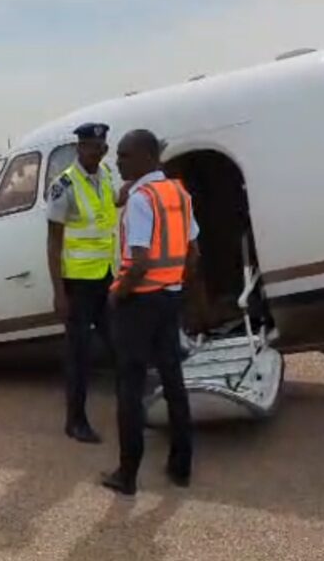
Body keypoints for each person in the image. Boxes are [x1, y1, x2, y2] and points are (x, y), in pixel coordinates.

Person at [101, 129, 200, 496]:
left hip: (139, 303)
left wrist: (118, 294)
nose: (118, 162)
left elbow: (139, 262)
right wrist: (175, 284)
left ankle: (127, 474)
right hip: (170, 298)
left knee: (130, 386)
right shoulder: (179, 194)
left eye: (124, 155)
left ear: (146, 157)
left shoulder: (142, 200)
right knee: (173, 380)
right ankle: (181, 465)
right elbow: (193, 253)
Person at [46, 122, 126, 444]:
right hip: (77, 284)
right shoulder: (64, 185)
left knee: (119, 345)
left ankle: (131, 410)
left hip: (105, 278)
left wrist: (137, 185)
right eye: (90, 146)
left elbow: (112, 203)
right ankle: (75, 421)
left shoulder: (105, 174)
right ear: (79, 148)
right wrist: (58, 293)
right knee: (79, 356)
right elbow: (53, 242)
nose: (96, 152)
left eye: (101, 147)